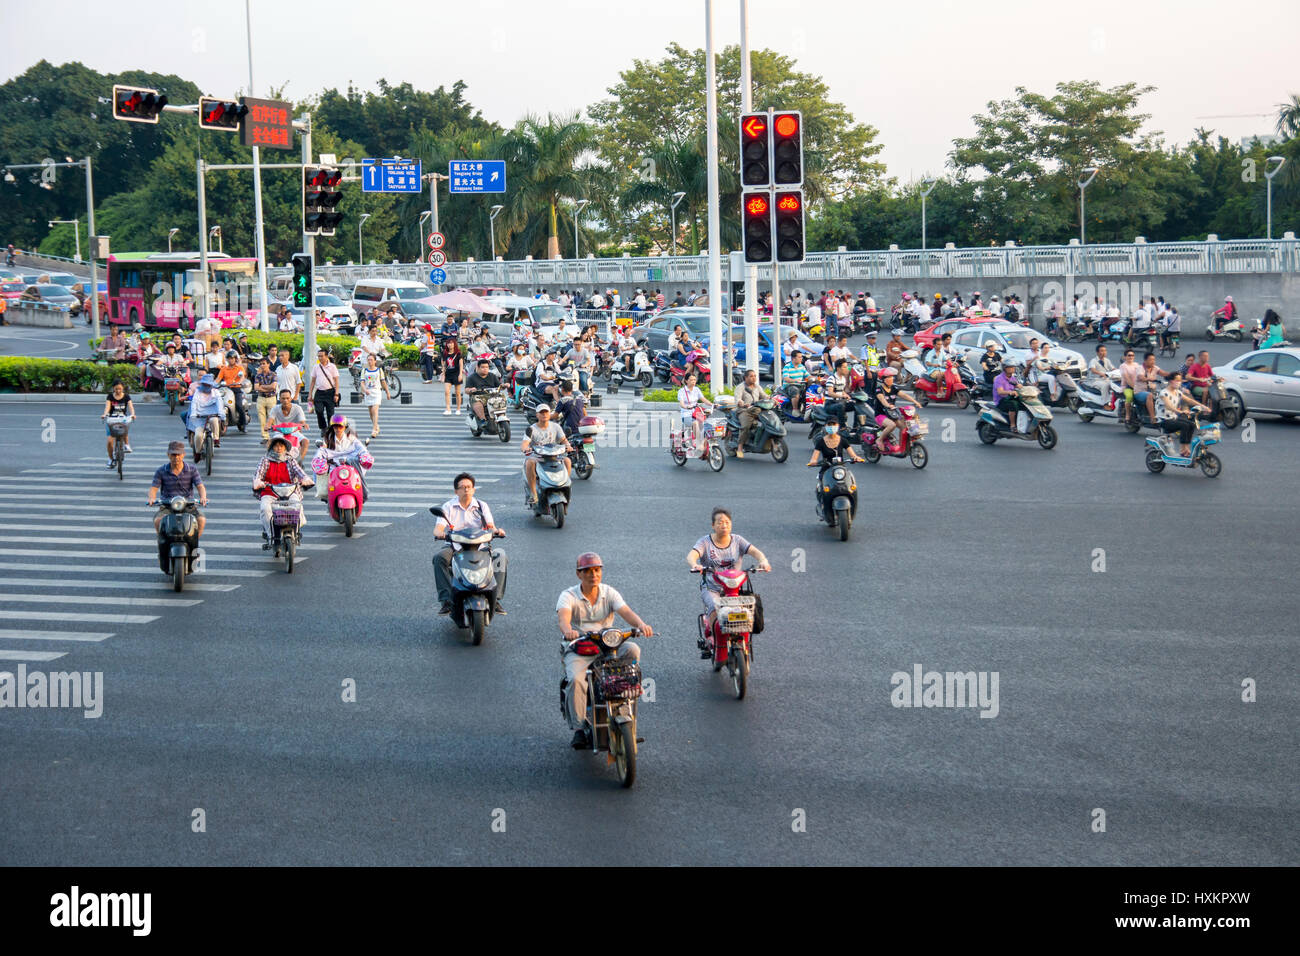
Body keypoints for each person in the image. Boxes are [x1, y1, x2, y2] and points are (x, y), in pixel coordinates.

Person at [557, 552, 654, 750]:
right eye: (588, 571)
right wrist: (568, 631)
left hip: (608, 643)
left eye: (597, 570)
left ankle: (623, 694)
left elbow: (625, 611)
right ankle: (578, 727)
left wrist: (641, 625)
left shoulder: (608, 592)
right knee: (576, 680)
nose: (593, 575)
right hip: (580, 646)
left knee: (633, 649)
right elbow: (563, 618)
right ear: (579, 574)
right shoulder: (568, 595)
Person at [685, 507, 771, 649]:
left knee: (747, 611)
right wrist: (695, 564)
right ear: (713, 525)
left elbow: (755, 551)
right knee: (714, 607)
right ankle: (714, 637)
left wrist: (763, 561)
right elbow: (692, 555)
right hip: (712, 587)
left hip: (734, 588)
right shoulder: (705, 542)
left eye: (727, 522)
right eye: (719, 522)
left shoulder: (738, 540)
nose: (724, 525)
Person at [432, 472, 508, 616]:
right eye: (462, 487)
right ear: (456, 491)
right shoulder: (448, 506)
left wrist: (497, 531)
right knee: (439, 558)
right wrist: (439, 533)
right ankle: (446, 600)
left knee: (501, 556)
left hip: (481, 547)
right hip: (456, 547)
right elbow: (438, 528)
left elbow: (490, 526)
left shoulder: (481, 506)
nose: (466, 490)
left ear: (473, 489)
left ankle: (496, 599)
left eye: (469, 487)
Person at [252, 434, 314, 549]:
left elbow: (300, 472)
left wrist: (305, 479)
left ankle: (295, 533)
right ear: (272, 448)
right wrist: (258, 482)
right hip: (269, 492)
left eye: (281, 446)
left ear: (285, 448)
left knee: (297, 507)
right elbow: (259, 474)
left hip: (289, 492)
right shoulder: (265, 460)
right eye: (276, 446)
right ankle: (272, 537)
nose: (279, 448)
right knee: (265, 509)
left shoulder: (290, 460)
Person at [148, 440, 208, 538]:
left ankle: (194, 544)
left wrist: (203, 497)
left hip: (188, 505)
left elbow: (200, 486)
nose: (176, 457)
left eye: (178, 454)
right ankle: (162, 543)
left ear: (183, 455)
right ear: (168, 455)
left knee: (201, 519)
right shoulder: (161, 471)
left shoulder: (192, 469)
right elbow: (154, 488)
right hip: (167, 506)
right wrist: (152, 498)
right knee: (158, 520)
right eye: (173, 455)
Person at [311, 414, 372, 502]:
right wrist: (319, 459)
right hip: (334, 465)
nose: (338, 429)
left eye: (340, 426)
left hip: (350, 464)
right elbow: (322, 451)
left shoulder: (351, 437)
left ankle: (363, 494)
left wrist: (364, 455)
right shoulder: (328, 438)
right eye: (335, 427)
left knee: (359, 477)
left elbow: (360, 447)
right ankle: (327, 496)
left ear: (344, 427)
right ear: (332, 427)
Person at [521, 404, 572, 506]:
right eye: (541, 413)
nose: (544, 415)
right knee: (530, 462)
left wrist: (568, 446)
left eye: (546, 412)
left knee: (567, 461)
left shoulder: (556, 427)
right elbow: (524, 444)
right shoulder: (532, 429)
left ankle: (564, 486)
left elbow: (564, 440)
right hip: (538, 458)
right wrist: (526, 449)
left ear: (550, 414)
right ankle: (533, 494)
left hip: (554, 456)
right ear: (537, 415)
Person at [1156, 372, 1210, 458]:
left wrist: (1203, 406)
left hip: (1173, 418)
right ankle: (1182, 450)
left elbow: (1189, 400)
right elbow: (1169, 406)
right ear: (1171, 381)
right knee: (1184, 425)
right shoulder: (1164, 393)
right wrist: (1180, 411)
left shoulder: (1177, 392)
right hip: (1164, 420)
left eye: (1180, 380)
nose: (1179, 382)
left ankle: (1186, 448)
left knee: (1191, 424)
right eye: (1177, 380)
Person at [186, 375, 226, 459]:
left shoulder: (216, 392)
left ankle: (216, 439)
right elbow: (194, 403)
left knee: (214, 420)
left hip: (212, 414)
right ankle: (197, 452)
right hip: (199, 417)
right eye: (205, 384)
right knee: (198, 436)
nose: (206, 386)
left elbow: (219, 404)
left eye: (208, 385)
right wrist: (193, 414)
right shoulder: (198, 392)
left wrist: (221, 415)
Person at [268, 387, 310, 463]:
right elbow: (270, 421)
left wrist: (304, 424)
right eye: (283, 398)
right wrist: (267, 426)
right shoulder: (275, 409)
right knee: (269, 442)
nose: (285, 400)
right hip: (280, 432)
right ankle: (270, 461)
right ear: (280, 399)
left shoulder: (298, 408)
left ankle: (299, 461)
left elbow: (302, 421)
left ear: (291, 398)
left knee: (305, 441)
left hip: (294, 432)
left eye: (287, 398)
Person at [734, 369, 768, 458]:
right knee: (745, 426)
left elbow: (764, 395)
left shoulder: (757, 386)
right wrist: (742, 403)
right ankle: (740, 447)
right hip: (744, 410)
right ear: (746, 377)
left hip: (756, 409)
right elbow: (738, 399)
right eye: (751, 376)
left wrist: (772, 399)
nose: (754, 378)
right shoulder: (740, 387)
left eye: (755, 376)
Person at [307, 347, 341, 437]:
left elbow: (337, 381)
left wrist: (336, 394)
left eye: (321, 356)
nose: (320, 358)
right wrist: (310, 394)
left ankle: (330, 429)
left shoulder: (332, 367)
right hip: (319, 392)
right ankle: (323, 427)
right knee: (319, 410)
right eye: (318, 356)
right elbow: (313, 381)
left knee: (330, 413)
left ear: (326, 357)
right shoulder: (316, 367)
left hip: (330, 392)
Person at [357, 351, 392, 440]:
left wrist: (387, 392)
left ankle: (374, 430)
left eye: (371, 360)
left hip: (376, 392)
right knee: (370, 413)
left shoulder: (379, 370)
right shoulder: (364, 370)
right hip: (368, 393)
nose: (370, 362)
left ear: (375, 361)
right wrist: (365, 390)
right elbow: (362, 382)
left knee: (374, 410)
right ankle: (376, 426)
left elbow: (383, 381)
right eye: (368, 360)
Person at [100, 382, 136, 466]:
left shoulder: (126, 397)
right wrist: (104, 414)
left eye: (120, 388)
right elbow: (107, 407)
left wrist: (133, 414)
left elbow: (131, 407)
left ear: (123, 388)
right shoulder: (110, 397)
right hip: (112, 419)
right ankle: (110, 459)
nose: (118, 391)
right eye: (116, 389)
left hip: (122, 419)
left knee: (125, 429)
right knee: (109, 441)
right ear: (113, 388)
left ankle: (126, 445)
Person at [214, 349, 248, 432]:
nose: (231, 360)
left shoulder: (239, 368)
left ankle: (243, 424)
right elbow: (218, 378)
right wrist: (212, 384)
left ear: (235, 359)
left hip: (236, 389)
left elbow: (242, 376)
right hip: (226, 389)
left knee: (239, 405)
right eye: (229, 358)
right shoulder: (224, 369)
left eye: (232, 358)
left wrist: (240, 381)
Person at [871, 367, 904, 447]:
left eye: (892, 377)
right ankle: (880, 439)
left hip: (892, 414)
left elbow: (904, 395)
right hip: (880, 415)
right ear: (883, 379)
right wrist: (888, 406)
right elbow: (882, 400)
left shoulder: (893, 388)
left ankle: (902, 445)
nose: (891, 379)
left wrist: (915, 402)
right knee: (892, 425)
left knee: (904, 427)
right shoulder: (879, 390)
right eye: (889, 377)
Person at [1136, 352, 1171, 423]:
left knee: (1164, 395)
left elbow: (1163, 373)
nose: (1153, 362)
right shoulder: (1140, 368)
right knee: (1149, 395)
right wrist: (1148, 379)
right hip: (1139, 392)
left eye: (1154, 360)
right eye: (1150, 360)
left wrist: (1174, 375)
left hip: (1152, 391)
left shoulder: (1155, 368)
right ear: (1145, 361)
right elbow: (1140, 377)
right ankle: (1152, 418)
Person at [466, 357, 503, 424]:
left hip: (492, 395)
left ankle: (500, 416)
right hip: (478, 396)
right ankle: (483, 420)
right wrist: (471, 390)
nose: (485, 369)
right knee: (477, 402)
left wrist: (504, 385)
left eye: (486, 367)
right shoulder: (472, 377)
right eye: (482, 367)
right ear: (478, 367)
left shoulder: (492, 376)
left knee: (502, 398)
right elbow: (466, 390)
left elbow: (499, 385)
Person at [251, 357, 278, 443]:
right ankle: (265, 437)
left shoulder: (273, 374)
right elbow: (256, 387)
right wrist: (267, 388)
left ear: (268, 364)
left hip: (271, 398)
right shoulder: (258, 376)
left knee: (272, 418)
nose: (262, 366)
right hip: (261, 398)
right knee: (262, 418)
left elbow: (273, 386)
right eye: (261, 364)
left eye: (264, 364)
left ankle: (277, 435)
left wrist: (262, 387)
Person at [677, 372, 708, 444]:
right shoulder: (681, 391)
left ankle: (704, 441)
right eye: (691, 380)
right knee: (695, 423)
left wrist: (713, 404)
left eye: (694, 380)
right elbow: (681, 404)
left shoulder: (696, 389)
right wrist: (686, 407)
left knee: (706, 424)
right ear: (686, 381)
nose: (693, 381)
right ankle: (698, 442)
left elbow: (704, 399)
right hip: (686, 415)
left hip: (696, 413)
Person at [993, 360, 1023, 432]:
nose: (1013, 369)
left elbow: (1017, 386)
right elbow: (1000, 392)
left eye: (1013, 367)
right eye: (1010, 367)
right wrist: (1011, 392)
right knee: (1013, 404)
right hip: (1001, 401)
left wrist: (1020, 387)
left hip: (1010, 398)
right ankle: (1012, 425)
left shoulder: (1013, 378)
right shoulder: (999, 378)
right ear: (1005, 368)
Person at [781, 351, 810, 415]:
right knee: (795, 390)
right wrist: (795, 380)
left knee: (809, 392)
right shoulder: (787, 367)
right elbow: (786, 378)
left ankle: (806, 409)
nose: (801, 359)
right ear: (793, 358)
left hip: (800, 385)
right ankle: (795, 409)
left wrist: (816, 378)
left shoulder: (802, 366)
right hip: (789, 386)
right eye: (799, 357)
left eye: (801, 357)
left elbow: (808, 376)